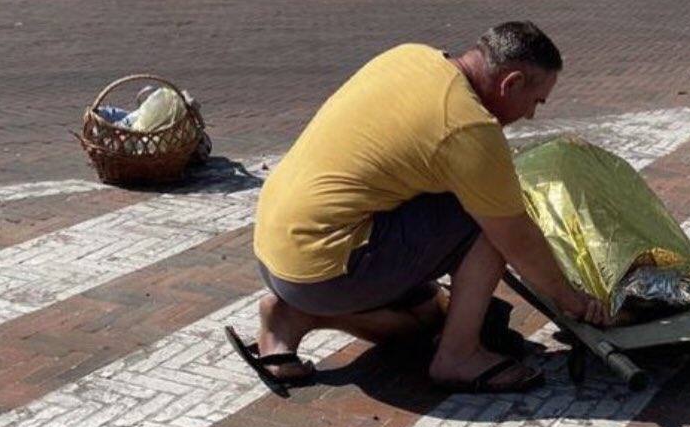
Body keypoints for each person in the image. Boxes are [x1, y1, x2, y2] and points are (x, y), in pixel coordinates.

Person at [227, 22, 608, 397]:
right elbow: (516, 240)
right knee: (491, 223)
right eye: (535, 102)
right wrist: (572, 300)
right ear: (512, 83)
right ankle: (458, 356)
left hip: (276, 250)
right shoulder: (469, 127)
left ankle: (293, 316)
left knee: (427, 321)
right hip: (325, 267)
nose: (531, 116)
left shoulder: (410, 56)